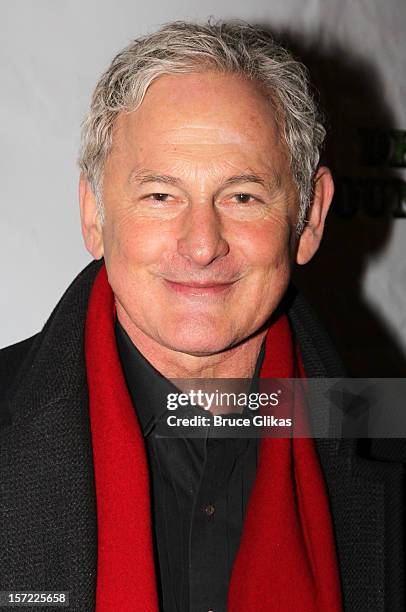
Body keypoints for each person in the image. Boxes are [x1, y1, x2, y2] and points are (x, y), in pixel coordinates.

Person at [0, 20, 403, 612]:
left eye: (242, 196)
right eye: (160, 195)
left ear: (310, 218)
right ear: (94, 214)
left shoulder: (388, 439)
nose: (201, 244)